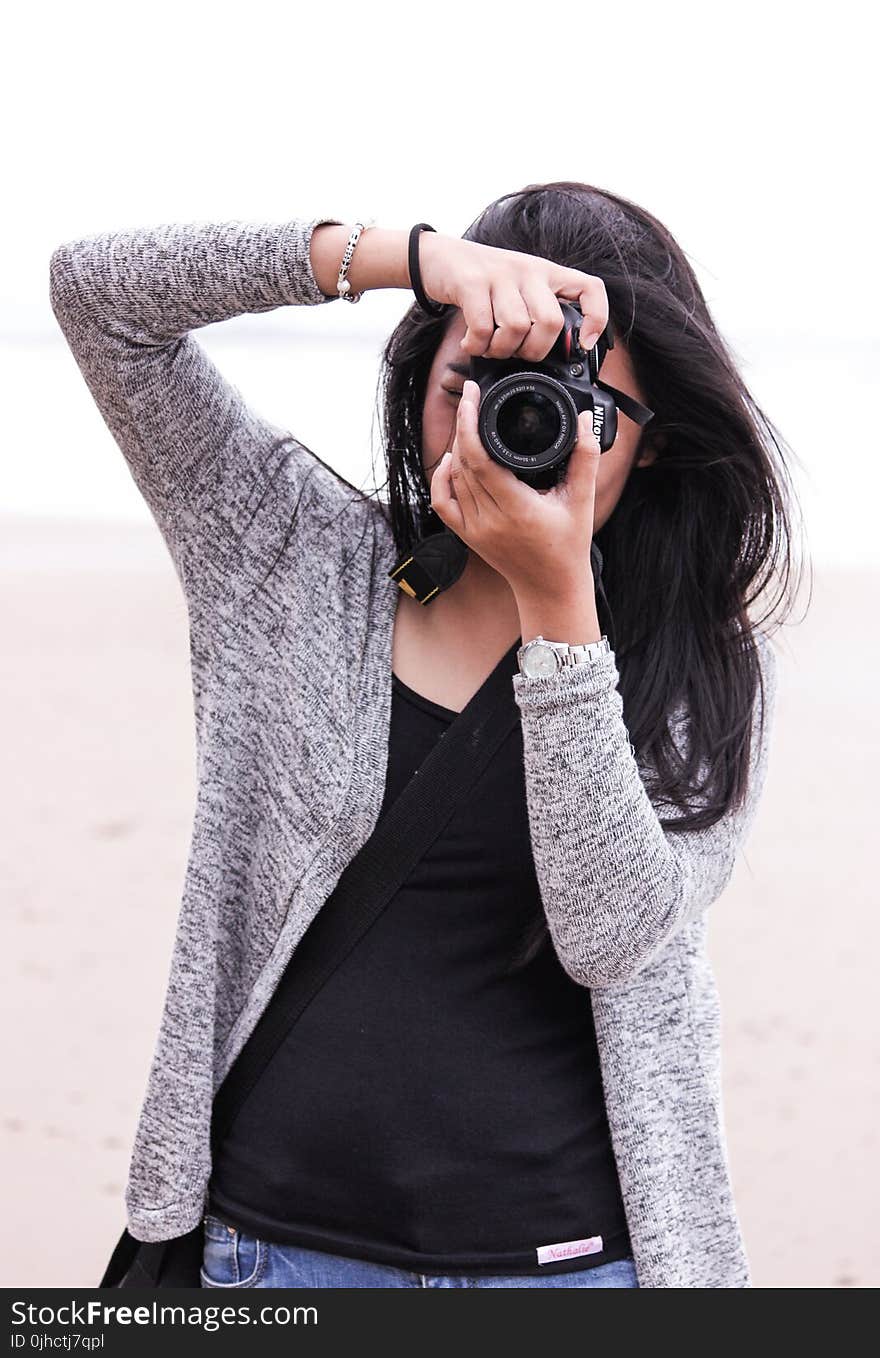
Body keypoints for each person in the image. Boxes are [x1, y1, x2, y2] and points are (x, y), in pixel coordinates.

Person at [49, 182, 802, 1289]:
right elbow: (98, 300)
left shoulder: (706, 668)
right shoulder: (283, 552)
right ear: (422, 385)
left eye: (570, 407)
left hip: (567, 1268)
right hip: (278, 1255)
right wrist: (405, 258)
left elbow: (610, 936)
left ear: (649, 446)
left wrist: (559, 610)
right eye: (474, 384)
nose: (513, 430)